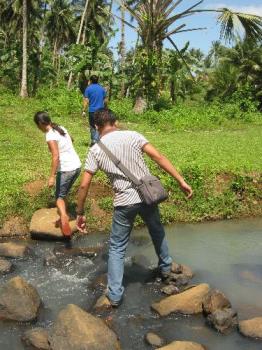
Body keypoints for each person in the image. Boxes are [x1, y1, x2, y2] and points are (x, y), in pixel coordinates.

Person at [76, 109, 193, 306]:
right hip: (148, 196)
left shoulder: (96, 150)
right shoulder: (133, 136)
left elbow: (84, 184)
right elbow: (159, 157)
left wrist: (79, 212)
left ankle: (114, 295)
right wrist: (180, 180)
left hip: (124, 202)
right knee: (157, 231)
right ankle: (165, 268)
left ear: (96, 127)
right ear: (116, 121)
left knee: (117, 247)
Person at [34, 111, 81, 238]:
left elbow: (55, 157)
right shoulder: (60, 128)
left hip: (66, 168)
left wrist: (52, 176)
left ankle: (64, 218)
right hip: (77, 166)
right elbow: (72, 139)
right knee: (63, 192)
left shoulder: (50, 135)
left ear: (40, 124)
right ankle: (69, 214)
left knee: (59, 197)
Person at [82, 75, 107, 146]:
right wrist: (105, 108)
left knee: (92, 126)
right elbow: (105, 100)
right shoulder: (102, 89)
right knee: (99, 126)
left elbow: (86, 100)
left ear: (90, 80)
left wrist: (83, 110)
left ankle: (94, 140)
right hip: (100, 111)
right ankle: (95, 141)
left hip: (92, 111)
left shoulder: (88, 89)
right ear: (97, 80)